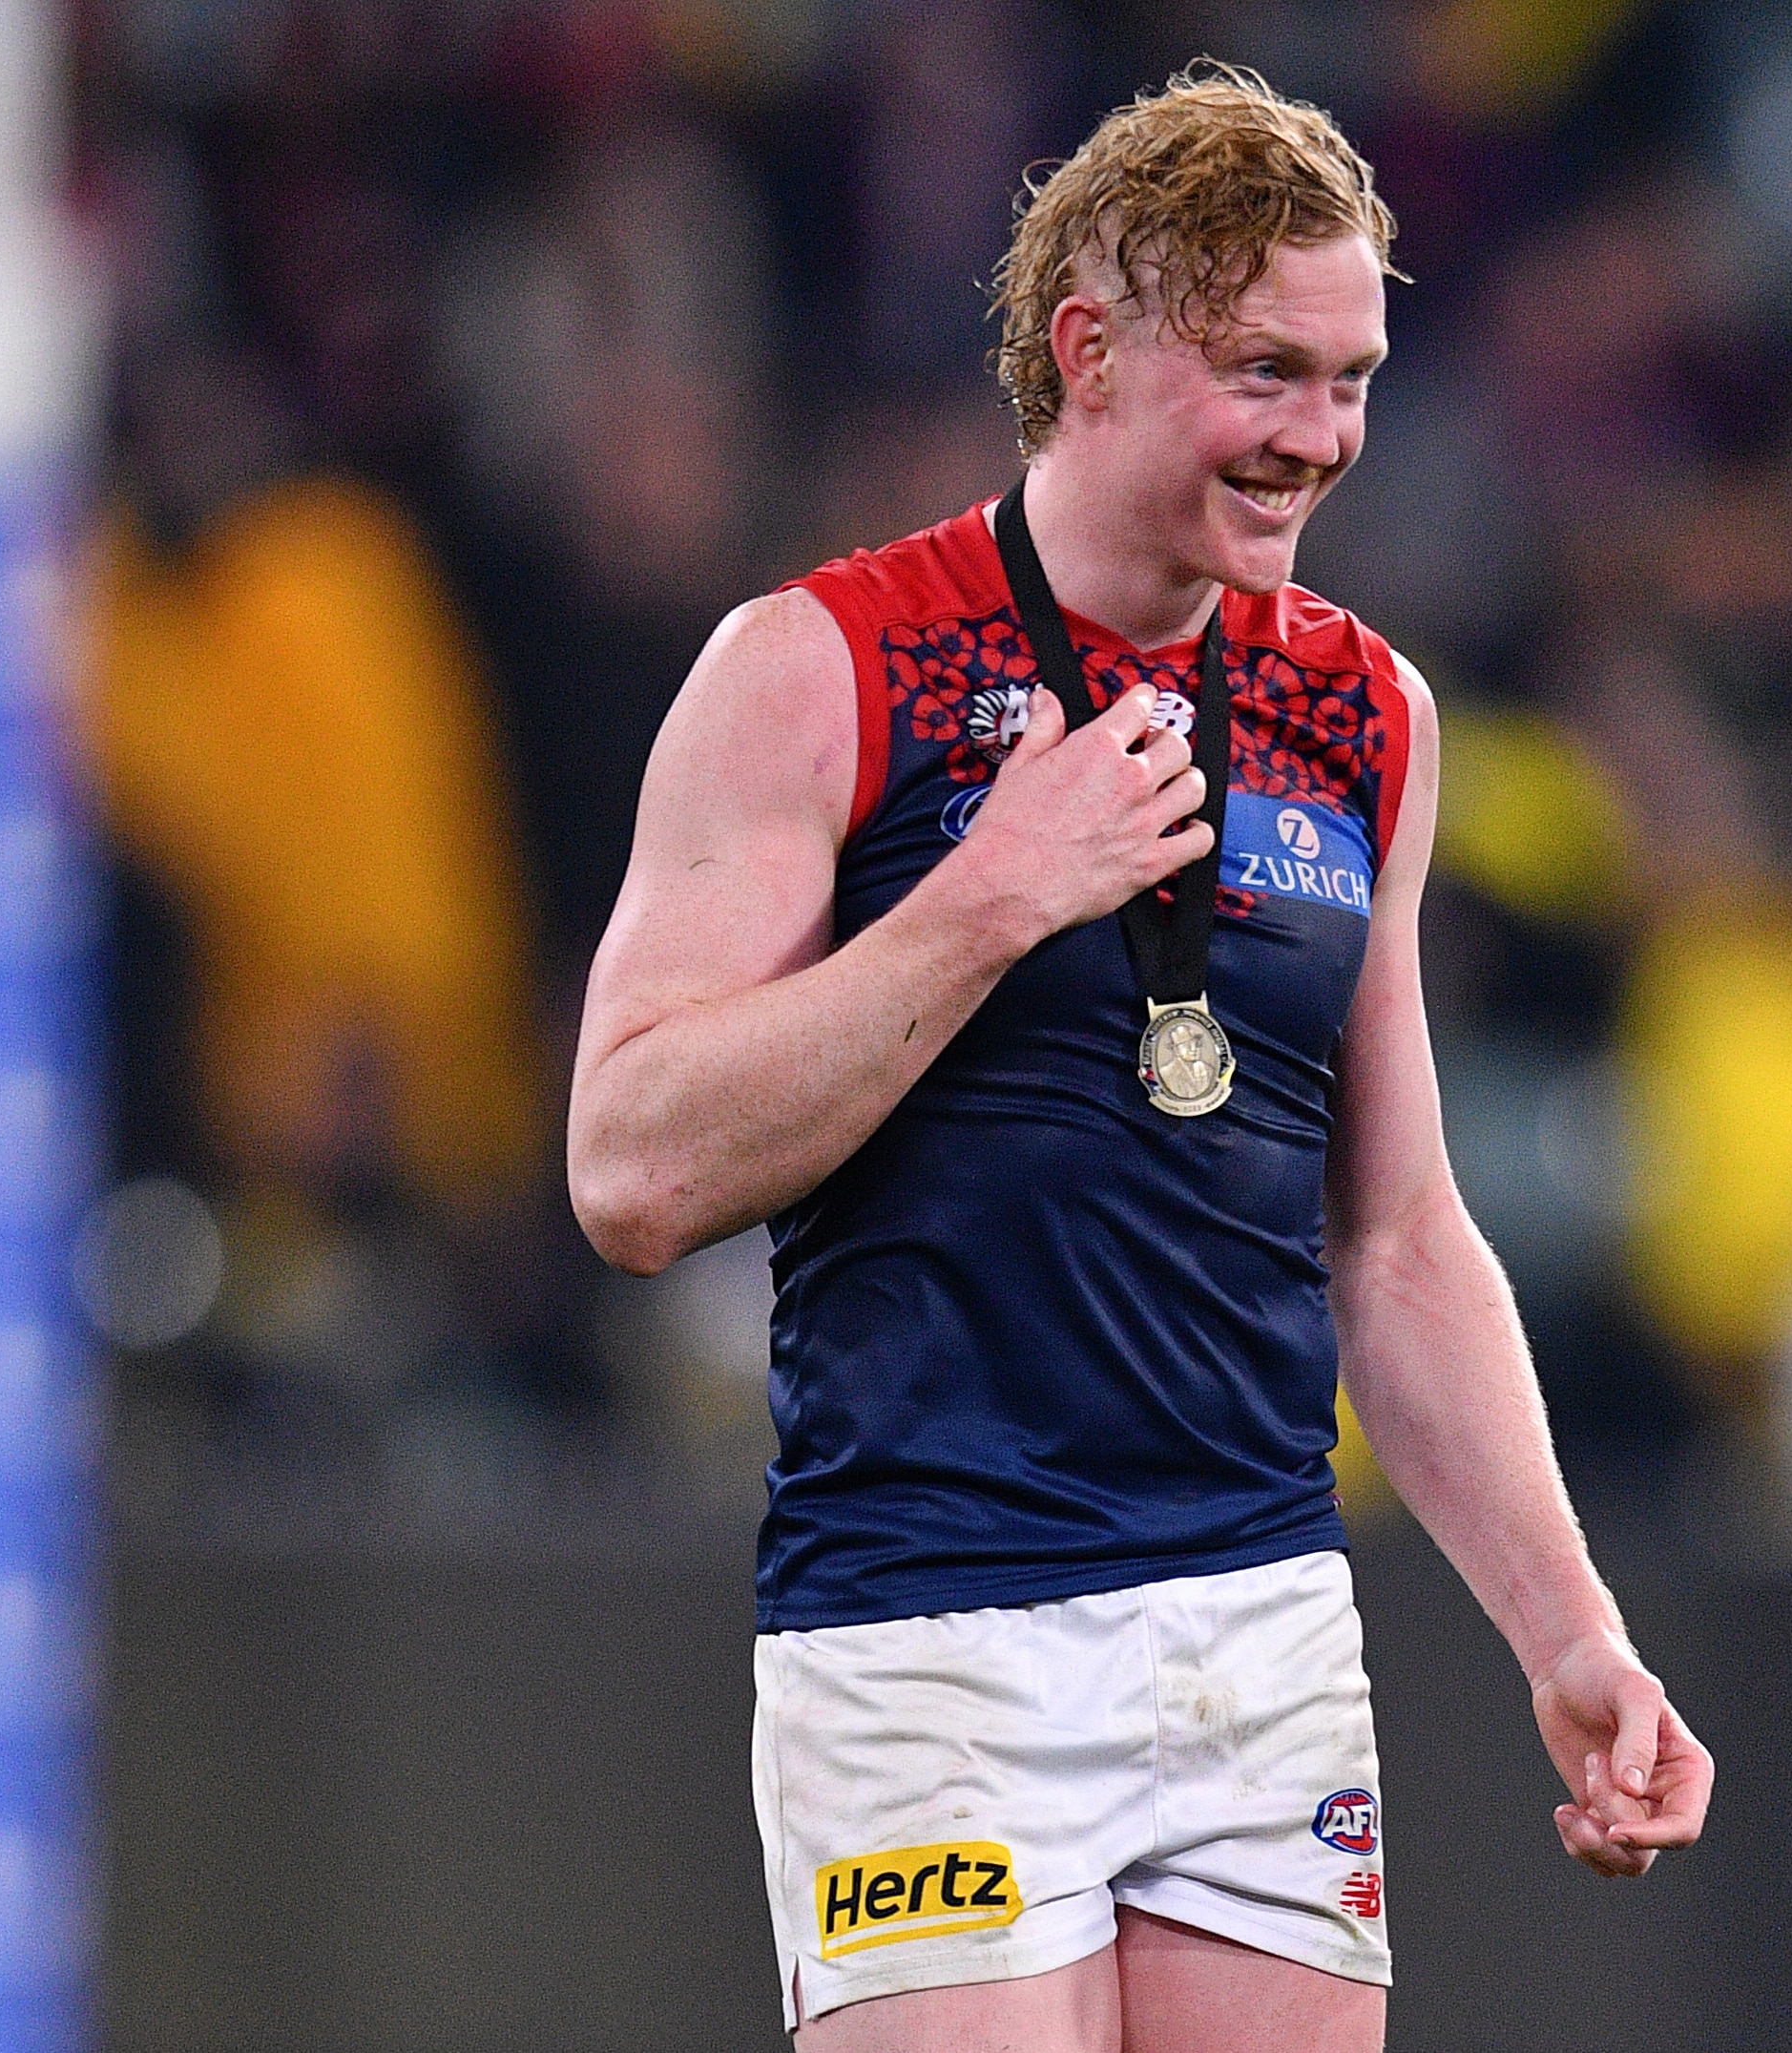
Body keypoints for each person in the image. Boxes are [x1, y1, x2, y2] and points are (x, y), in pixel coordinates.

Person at [568, 63, 1712, 2051]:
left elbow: (1403, 1235)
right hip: (931, 1624)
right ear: (1089, 353)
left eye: (1351, 376)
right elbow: (631, 1164)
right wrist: (988, 893)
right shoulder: (821, 668)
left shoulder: (1368, 712)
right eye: (1269, 371)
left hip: (1254, 1628)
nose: (1322, 437)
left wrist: (1571, 1628)